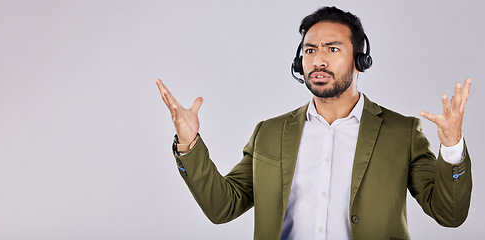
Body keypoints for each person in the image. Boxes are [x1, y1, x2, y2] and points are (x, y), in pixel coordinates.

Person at [156, 6, 472, 240]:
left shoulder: (401, 133)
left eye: (332, 49)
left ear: (360, 61)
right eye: (310, 50)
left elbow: (449, 214)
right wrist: (189, 144)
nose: (318, 60)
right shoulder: (269, 132)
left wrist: (452, 144)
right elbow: (222, 207)